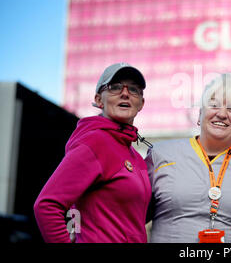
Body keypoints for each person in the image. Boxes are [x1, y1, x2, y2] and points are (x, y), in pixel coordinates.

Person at [146, 73, 231, 243]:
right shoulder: (160, 155)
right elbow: (131, 220)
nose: (222, 114)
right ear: (200, 113)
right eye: (213, 104)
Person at [34, 63, 152, 243]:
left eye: (134, 89)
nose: (125, 93)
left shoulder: (136, 157)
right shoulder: (95, 142)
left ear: (141, 103)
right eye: (115, 87)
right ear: (99, 100)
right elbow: (46, 206)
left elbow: (127, 219)